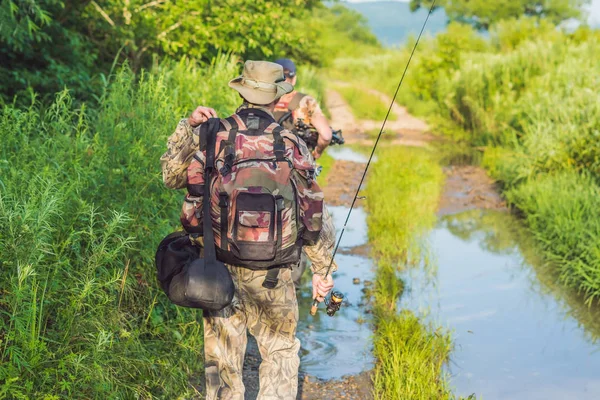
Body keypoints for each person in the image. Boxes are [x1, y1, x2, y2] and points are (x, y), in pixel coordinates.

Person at [160, 60, 338, 400]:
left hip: (218, 267)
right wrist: (323, 270)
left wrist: (187, 126)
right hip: (275, 273)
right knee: (280, 352)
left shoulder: (212, 135)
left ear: (242, 91)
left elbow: (171, 176)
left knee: (222, 360)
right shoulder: (290, 143)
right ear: (277, 97)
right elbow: (313, 210)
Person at [273, 58, 335, 288]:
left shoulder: (266, 98)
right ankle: (294, 282)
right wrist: (317, 151)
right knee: (302, 222)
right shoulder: (304, 101)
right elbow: (326, 135)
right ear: (294, 78)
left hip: (264, 173)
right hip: (297, 176)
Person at [273, 58, 333, 160]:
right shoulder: (306, 102)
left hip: (265, 162)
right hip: (296, 162)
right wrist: (316, 153)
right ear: (294, 79)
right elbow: (326, 135)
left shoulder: (262, 99)